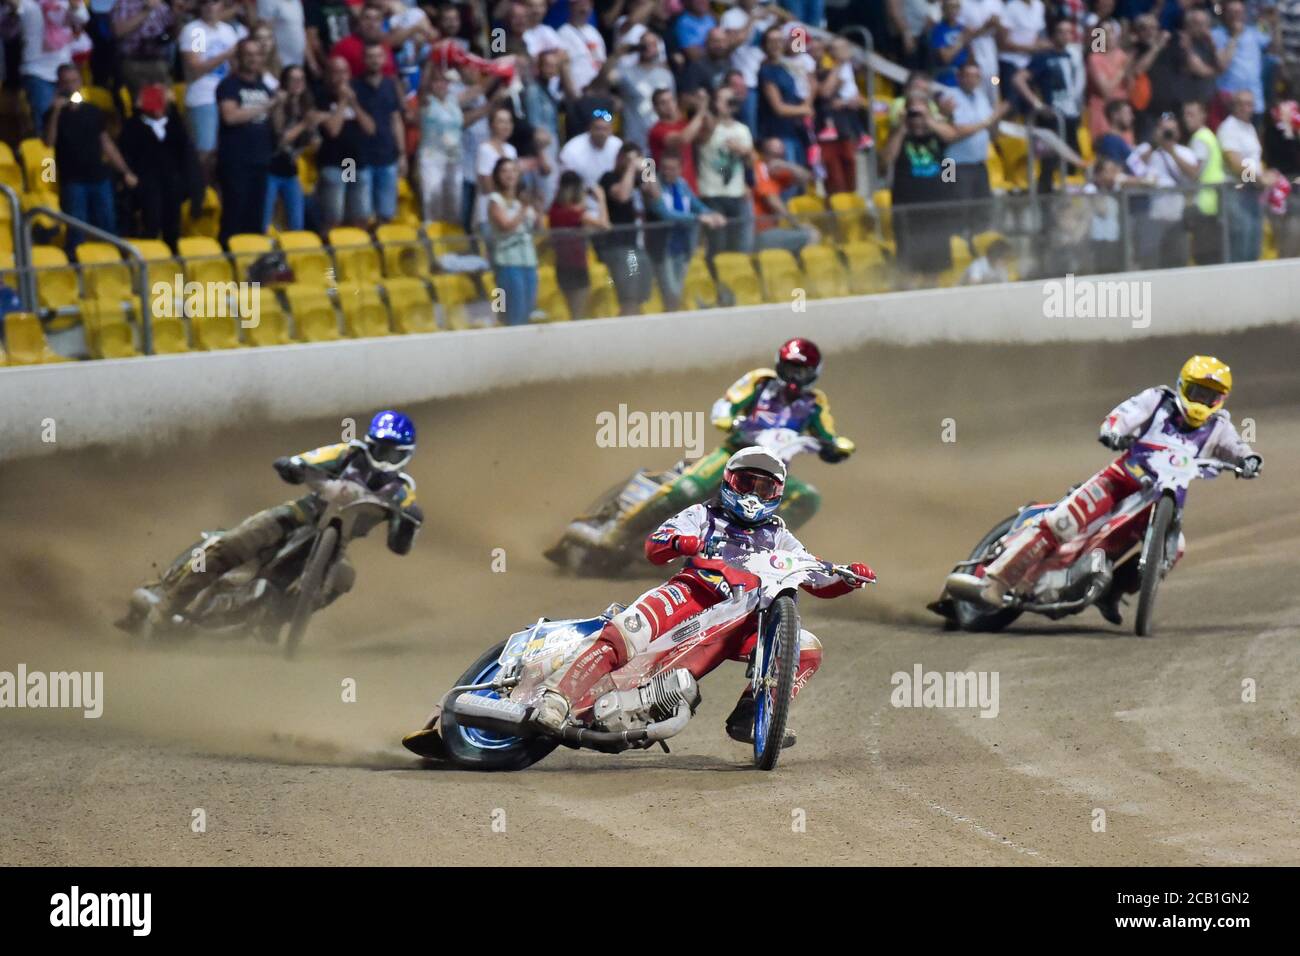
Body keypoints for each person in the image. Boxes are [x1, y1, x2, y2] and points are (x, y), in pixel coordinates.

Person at [530, 444, 875, 746]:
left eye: (764, 488)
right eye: (745, 484)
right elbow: (655, 546)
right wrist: (683, 542)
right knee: (627, 632)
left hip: (742, 620)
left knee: (807, 648)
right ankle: (556, 698)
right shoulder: (703, 514)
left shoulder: (779, 535)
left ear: (777, 492)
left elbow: (813, 575)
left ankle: (752, 716)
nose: (752, 496)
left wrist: (847, 578)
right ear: (728, 481)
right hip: (692, 593)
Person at [946, 356, 1263, 622]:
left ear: (1221, 400)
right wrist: (1113, 430)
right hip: (1122, 478)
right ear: (1183, 386)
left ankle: (1112, 593)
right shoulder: (1159, 400)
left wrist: (1248, 460)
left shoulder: (1219, 426)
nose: (1203, 401)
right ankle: (994, 582)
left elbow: (1236, 447)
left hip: (1165, 495)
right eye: (1198, 392)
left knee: (1175, 547)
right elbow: (1126, 414)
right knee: (1062, 521)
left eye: (1211, 396)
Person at [121, 411, 424, 634]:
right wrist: (297, 468)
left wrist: (409, 522)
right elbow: (301, 461)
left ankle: (274, 621)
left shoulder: (402, 490)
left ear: (406, 455)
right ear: (369, 443)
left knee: (343, 576)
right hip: (300, 515)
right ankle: (163, 610)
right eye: (380, 449)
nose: (384, 458)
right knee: (234, 542)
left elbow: (399, 545)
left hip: (336, 544)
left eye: (393, 452)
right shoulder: (348, 454)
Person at [44, 63, 136, 251]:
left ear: (80, 82)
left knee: (107, 225)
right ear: (60, 85)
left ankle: (111, 264)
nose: (71, 86)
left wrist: (125, 171)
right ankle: (75, 268)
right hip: (73, 180)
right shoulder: (53, 115)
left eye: (74, 81)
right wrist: (56, 111)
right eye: (66, 82)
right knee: (77, 229)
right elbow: (49, 142)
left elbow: (106, 144)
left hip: (99, 177)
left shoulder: (93, 111)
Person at [119, 83, 205, 251]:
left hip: (173, 183)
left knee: (172, 225)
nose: (157, 112)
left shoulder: (175, 125)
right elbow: (126, 154)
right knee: (151, 221)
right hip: (147, 183)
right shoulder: (133, 126)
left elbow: (187, 156)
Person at [643, 151, 724, 310]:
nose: (668, 172)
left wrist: (712, 214)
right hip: (662, 248)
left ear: (680, 169)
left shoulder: (682, 184)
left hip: (684, 247)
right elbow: (665, 213)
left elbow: (696, 205)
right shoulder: (654, 186)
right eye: (665, 168)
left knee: (677, 290)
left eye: (672, 168)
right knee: (671, 292)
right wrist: (697, 218)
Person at [216, 38, 276, 242]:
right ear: (239, 58)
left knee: (256, 220)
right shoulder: (229, 85)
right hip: (236, 161)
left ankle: (252, 267)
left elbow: (273, 124)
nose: (253, 59)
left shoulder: (264, 88)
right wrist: (266, 106)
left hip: (261, 159)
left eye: (257, 54)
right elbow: (230, 116)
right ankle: (229, 264)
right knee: (234, 216)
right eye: (248, 54)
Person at [180, 0, 245, 180]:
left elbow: (235, 65)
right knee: (206, 151)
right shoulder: (197, 31)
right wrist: (226, 54)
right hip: (204, 96)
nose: (210, 8)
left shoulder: (227, 30)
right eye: (206, 4)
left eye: (214, 3)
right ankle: (203, 192)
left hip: (226, 96)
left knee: (226, 150)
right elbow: (197, 67)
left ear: (222, 6)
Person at [315, 55, 375, 230]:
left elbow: (370, 128)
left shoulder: (359, 94)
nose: (340, 77)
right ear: (328, 75)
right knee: (334, 217)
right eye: (335, 72)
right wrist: (342, 102)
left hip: (353, 162)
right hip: (333, 162)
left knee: (359, 215)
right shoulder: (322, 96)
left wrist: (354, 104)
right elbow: (333, 130)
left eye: (344, 72)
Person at [13, 0, 89, 132]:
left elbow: (81, 17)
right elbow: (14, 7)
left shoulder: (65, 3)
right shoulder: (28, 3)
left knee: (74, 118)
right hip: (37, 72)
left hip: (65, 73)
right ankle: (46, 152)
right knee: (45, 122)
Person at [697, 85, 753, 256]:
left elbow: (750, 164)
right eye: (725, 100)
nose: (730, 103)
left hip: (736, 194)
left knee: (739, 244)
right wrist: (706, 107)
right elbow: (702, 137)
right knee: (718, 244)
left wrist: (744, 152)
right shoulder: (708, 127)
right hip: (712, 193)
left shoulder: (743, 130)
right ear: (716, 103)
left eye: (732, 99)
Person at [354, 41, 405, 225]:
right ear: (364, 59)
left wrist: (402, 153)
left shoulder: (391, 85)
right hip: (358, 159)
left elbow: (396, 119)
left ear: (384, 59)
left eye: (378, 56)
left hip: (387, 155)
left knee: (387, 212)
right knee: (361, 212)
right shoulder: (354, 86)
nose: (374, 60)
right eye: (370, 56)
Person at [485, 157, 540, 326]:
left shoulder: (521, 200)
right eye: (504, 171)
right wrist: (523, 208)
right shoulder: (495, 200)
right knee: (514, 310)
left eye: (513, 170)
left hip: (528, 259)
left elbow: (537, 226)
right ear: (497, 175)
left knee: (528, 308)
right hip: (508, 261)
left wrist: (538, 206)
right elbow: (505, 226)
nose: (509, 175)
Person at [265, 65, 320, 231]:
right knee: (265, 221)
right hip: (271, 170)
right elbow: (281, 139)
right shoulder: (278, 104)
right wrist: (304, 124)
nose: (298, 83)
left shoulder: (306, 106)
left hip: (291, 171)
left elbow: (315, 143)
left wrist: (312, 131)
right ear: (285, 82)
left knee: (297, 223)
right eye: (293, 79)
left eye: (301, 79)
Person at [547, 170, 608, 320]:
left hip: (561, 265)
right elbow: (605, 225)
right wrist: (601, 199)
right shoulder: (576, 213)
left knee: (572, 310)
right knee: (578, 313)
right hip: (577, 265)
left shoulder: (554, 210)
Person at [1218, 88, 1268, 263]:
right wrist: (1259, 179)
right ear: (1234, 106)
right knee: (1241, 243)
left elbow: (1253, 160)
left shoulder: (1249, 128)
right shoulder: (1229, 127)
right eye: (1240, 103)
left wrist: (1265, 175)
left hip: (1252, 192)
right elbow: (1235, 162)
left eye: (1249, 104)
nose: (1245, 108)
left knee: (1254, 243)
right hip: (1236, 192)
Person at [417, 67, 464, 224]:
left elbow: (479, 89)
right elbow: (422, 88)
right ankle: (432, 239)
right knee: (432, 201)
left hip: (454, 159)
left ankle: (451, 242)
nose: (441, 84)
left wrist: (498, 71)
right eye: (436, 81)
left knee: (455, 202)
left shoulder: (453, 100)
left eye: (444, 81)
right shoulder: (427, 101)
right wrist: (433, 58)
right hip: (432, 159)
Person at [558, 110, 623, 188]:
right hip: (581, 193)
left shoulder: (618, 145)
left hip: (611, 193)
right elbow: (566, 181)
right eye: (598, 129)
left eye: (605, 129)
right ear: (590, 128)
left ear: (611, 130)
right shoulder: (572, 148)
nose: (601, 133)